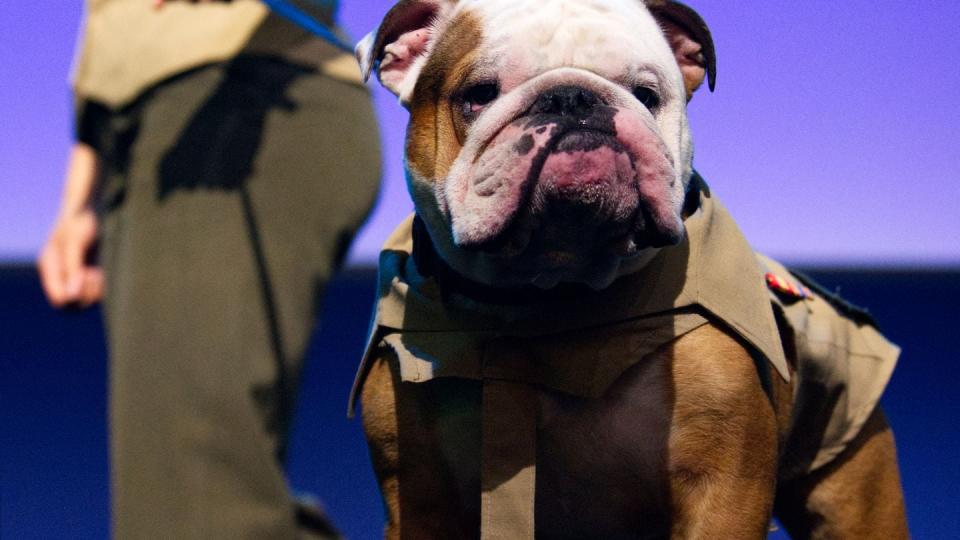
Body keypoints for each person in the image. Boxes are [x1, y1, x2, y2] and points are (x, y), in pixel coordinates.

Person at [37, 1, 380, 537]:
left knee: (193, 508)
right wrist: (79, 197)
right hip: (146, 137)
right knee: (173, 497)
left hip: (251, 99)